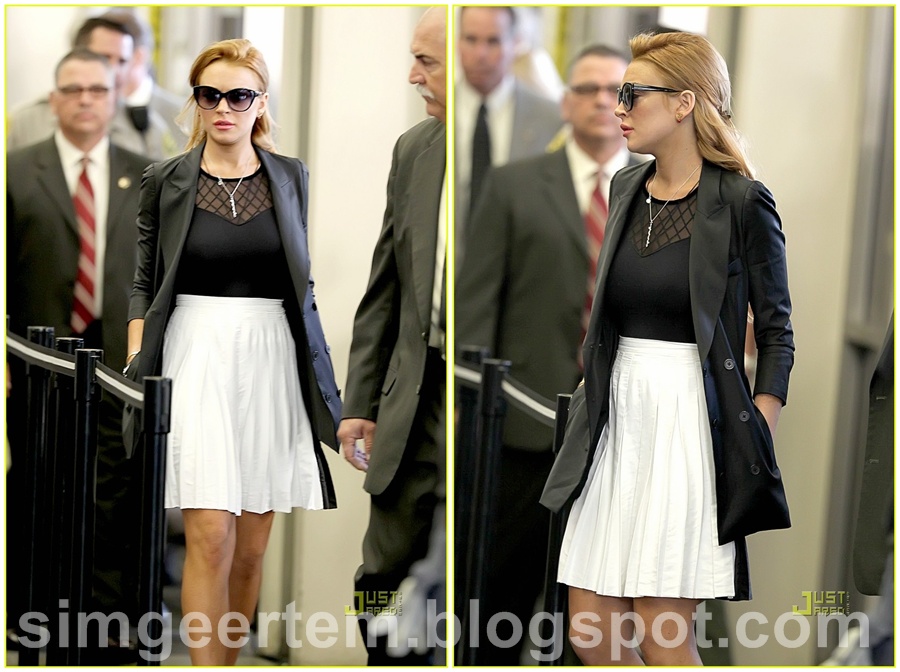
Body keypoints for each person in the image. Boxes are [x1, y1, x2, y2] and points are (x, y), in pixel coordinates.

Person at [540, 31, 795, 665]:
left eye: (632, 93)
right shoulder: (627, 186)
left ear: (684, 103)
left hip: (690, 423)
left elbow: (777, 330)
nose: (617, 107)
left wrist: (756, 427)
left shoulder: (742, 202)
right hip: (614, 417)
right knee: (592, 632)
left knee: (662, 633)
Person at [125, 38, 342, 665]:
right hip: (194, 352)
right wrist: (139, 354)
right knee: (211, 535)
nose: (224, 108)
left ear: (260, 102)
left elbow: (299, 280)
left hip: (270, 355)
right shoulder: (165, 180)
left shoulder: (291, 176)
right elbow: (143, 280)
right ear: (196, 102)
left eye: (239, 95)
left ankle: (232, 658)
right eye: (210, 95)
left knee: (250, 547)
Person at [455, 43, 639, 666]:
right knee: (500, 599)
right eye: (586, 89)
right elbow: (476, 310)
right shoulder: (513, 186)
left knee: (595, 608)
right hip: (525, 431)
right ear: (565, 102)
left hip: (622, 432)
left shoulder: (660, 192)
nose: (600, 101)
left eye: (615, 90)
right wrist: (475, 417)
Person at [6, 47, 151, 661]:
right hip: (36, 364)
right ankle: (30, 615)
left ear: (115, 97)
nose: (86, 99)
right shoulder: (16, 171)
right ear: (54, 99)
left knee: (114, 489)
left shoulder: (149, 175)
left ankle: (106, 622)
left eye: (97, 89)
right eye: (73, 89)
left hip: (119, 364)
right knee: (37, 482)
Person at [337, 6, 447, 665]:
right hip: (414, 402)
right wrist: (361, 401)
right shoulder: (414, 150)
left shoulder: (531, 160)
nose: (412, 75)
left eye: (426, 61)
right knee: (382, 576)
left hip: (498, 408)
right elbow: (386, 287)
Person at [455, 5, 561, 264]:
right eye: (471, 39)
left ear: (515, 44)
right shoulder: (439, 110)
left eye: (493, 41)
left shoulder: (551, 120)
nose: (481, 53)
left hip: (523, 270)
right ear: (457, 42)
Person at [7, 12, 182, 159]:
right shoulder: (29, 121)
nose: (114, 70)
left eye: (122, 61)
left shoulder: (146, 127)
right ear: (78, 55)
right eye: (104, 58)